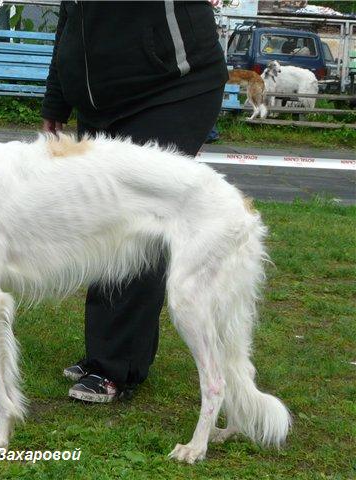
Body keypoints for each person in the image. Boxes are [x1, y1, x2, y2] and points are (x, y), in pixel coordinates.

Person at [41, 1, 228, 403]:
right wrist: (56, 101)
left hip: (171, 89)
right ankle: (105, 353)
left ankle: (116, 366)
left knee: (136, 224)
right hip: (102, 104)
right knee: (104, 224)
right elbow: (70, 23)